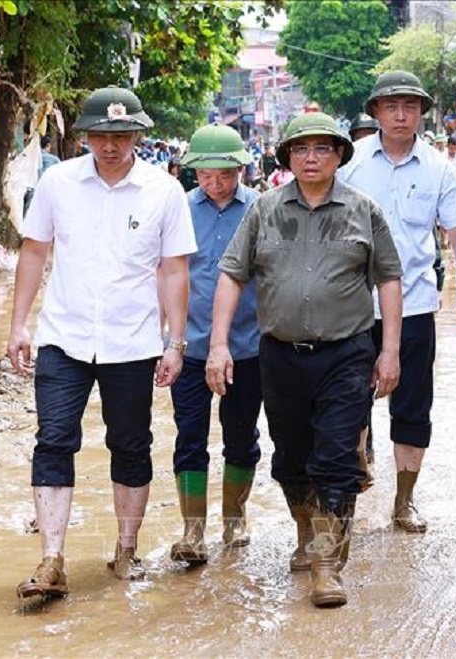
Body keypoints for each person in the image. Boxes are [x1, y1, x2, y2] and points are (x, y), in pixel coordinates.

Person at [206, 112, 403, 608]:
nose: (311, 157)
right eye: (301, 149)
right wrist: (218, 343)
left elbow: (389, 280)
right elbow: (232, 275)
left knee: (336, 458)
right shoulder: (264, 210)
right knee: (291, 458)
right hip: (281, 355)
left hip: (347, 352)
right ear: (288, 157)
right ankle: (308, 531)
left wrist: (391, 352)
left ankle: (325, 564)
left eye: (322, 148)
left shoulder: (365, 211)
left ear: (339, 156)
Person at [7, 86, 196, 599]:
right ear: (85, 136)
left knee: (131, 444)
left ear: (137, 134)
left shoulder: (163, 191)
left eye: (120, 135)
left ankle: (126, 549)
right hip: (63, 337)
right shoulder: (58, 182)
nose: (110, 145)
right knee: (53, 440)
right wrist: (19, 324)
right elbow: (33, 252)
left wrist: (175, 342)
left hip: (133, 342)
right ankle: (51, 559)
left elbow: (174, 269)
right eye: (100, 135)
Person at [341, 70, 456, 535]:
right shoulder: (351, 167)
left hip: (414, 307)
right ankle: (348, 490)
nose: (400, 114)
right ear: (375, 112)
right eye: (390, 105)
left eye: (409, 106)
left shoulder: (438, 169)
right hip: (352, 307)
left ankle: (404, 501)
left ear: (420, 113)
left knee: (412, 406)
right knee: (348, 402)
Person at [166, 123, 263, 565]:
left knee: (241, 436)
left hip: (247, 346)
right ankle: (193, 528)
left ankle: (234, 516)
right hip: (190, 345)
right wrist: (169, 338)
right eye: (205, 174)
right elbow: (167, 273)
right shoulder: (180, 210)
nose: (215, 183)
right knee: (189, 436)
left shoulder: (261, 209)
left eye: (224, 174)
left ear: (241, 168)